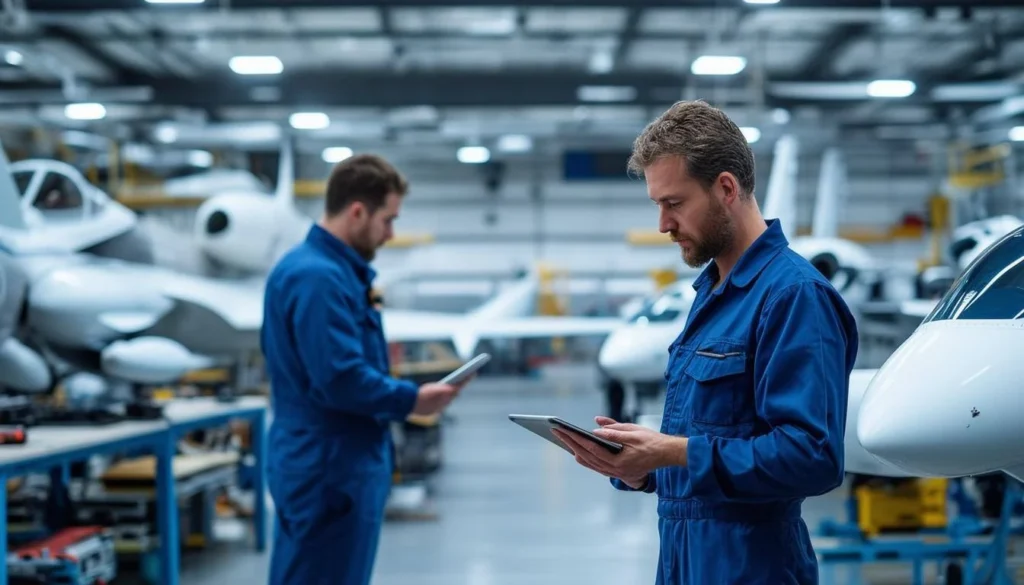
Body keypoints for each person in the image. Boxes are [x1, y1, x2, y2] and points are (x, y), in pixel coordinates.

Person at [552, 100, 859, 584]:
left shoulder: (794, 297)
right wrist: (643, 468)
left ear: (726, 189)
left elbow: (812, 458)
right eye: (657, 205)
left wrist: (673, 451)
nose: (663, 225)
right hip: (684, 559)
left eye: (674, 203)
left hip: (753, 566)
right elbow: (712, 439)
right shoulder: (712, 293)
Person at [261, 154, 470, 585]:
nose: (391, 234)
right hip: (329, 468)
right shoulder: (318, 278)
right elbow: (339, 377)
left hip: (331, 462)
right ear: (357, 211)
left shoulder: (329, 272)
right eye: (388, 220)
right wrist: (412, 400)